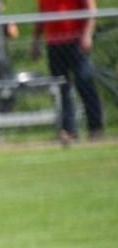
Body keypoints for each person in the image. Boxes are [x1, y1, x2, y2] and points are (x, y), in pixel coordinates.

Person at [32, 0, 105, 144]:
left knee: (84, 82)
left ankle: (95, 127)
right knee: (61, 89)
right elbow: (42, 16)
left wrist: (87, 34)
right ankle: (69, 130)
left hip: (76, 41)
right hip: (54, 43)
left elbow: (91, 10)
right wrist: (36, 41)